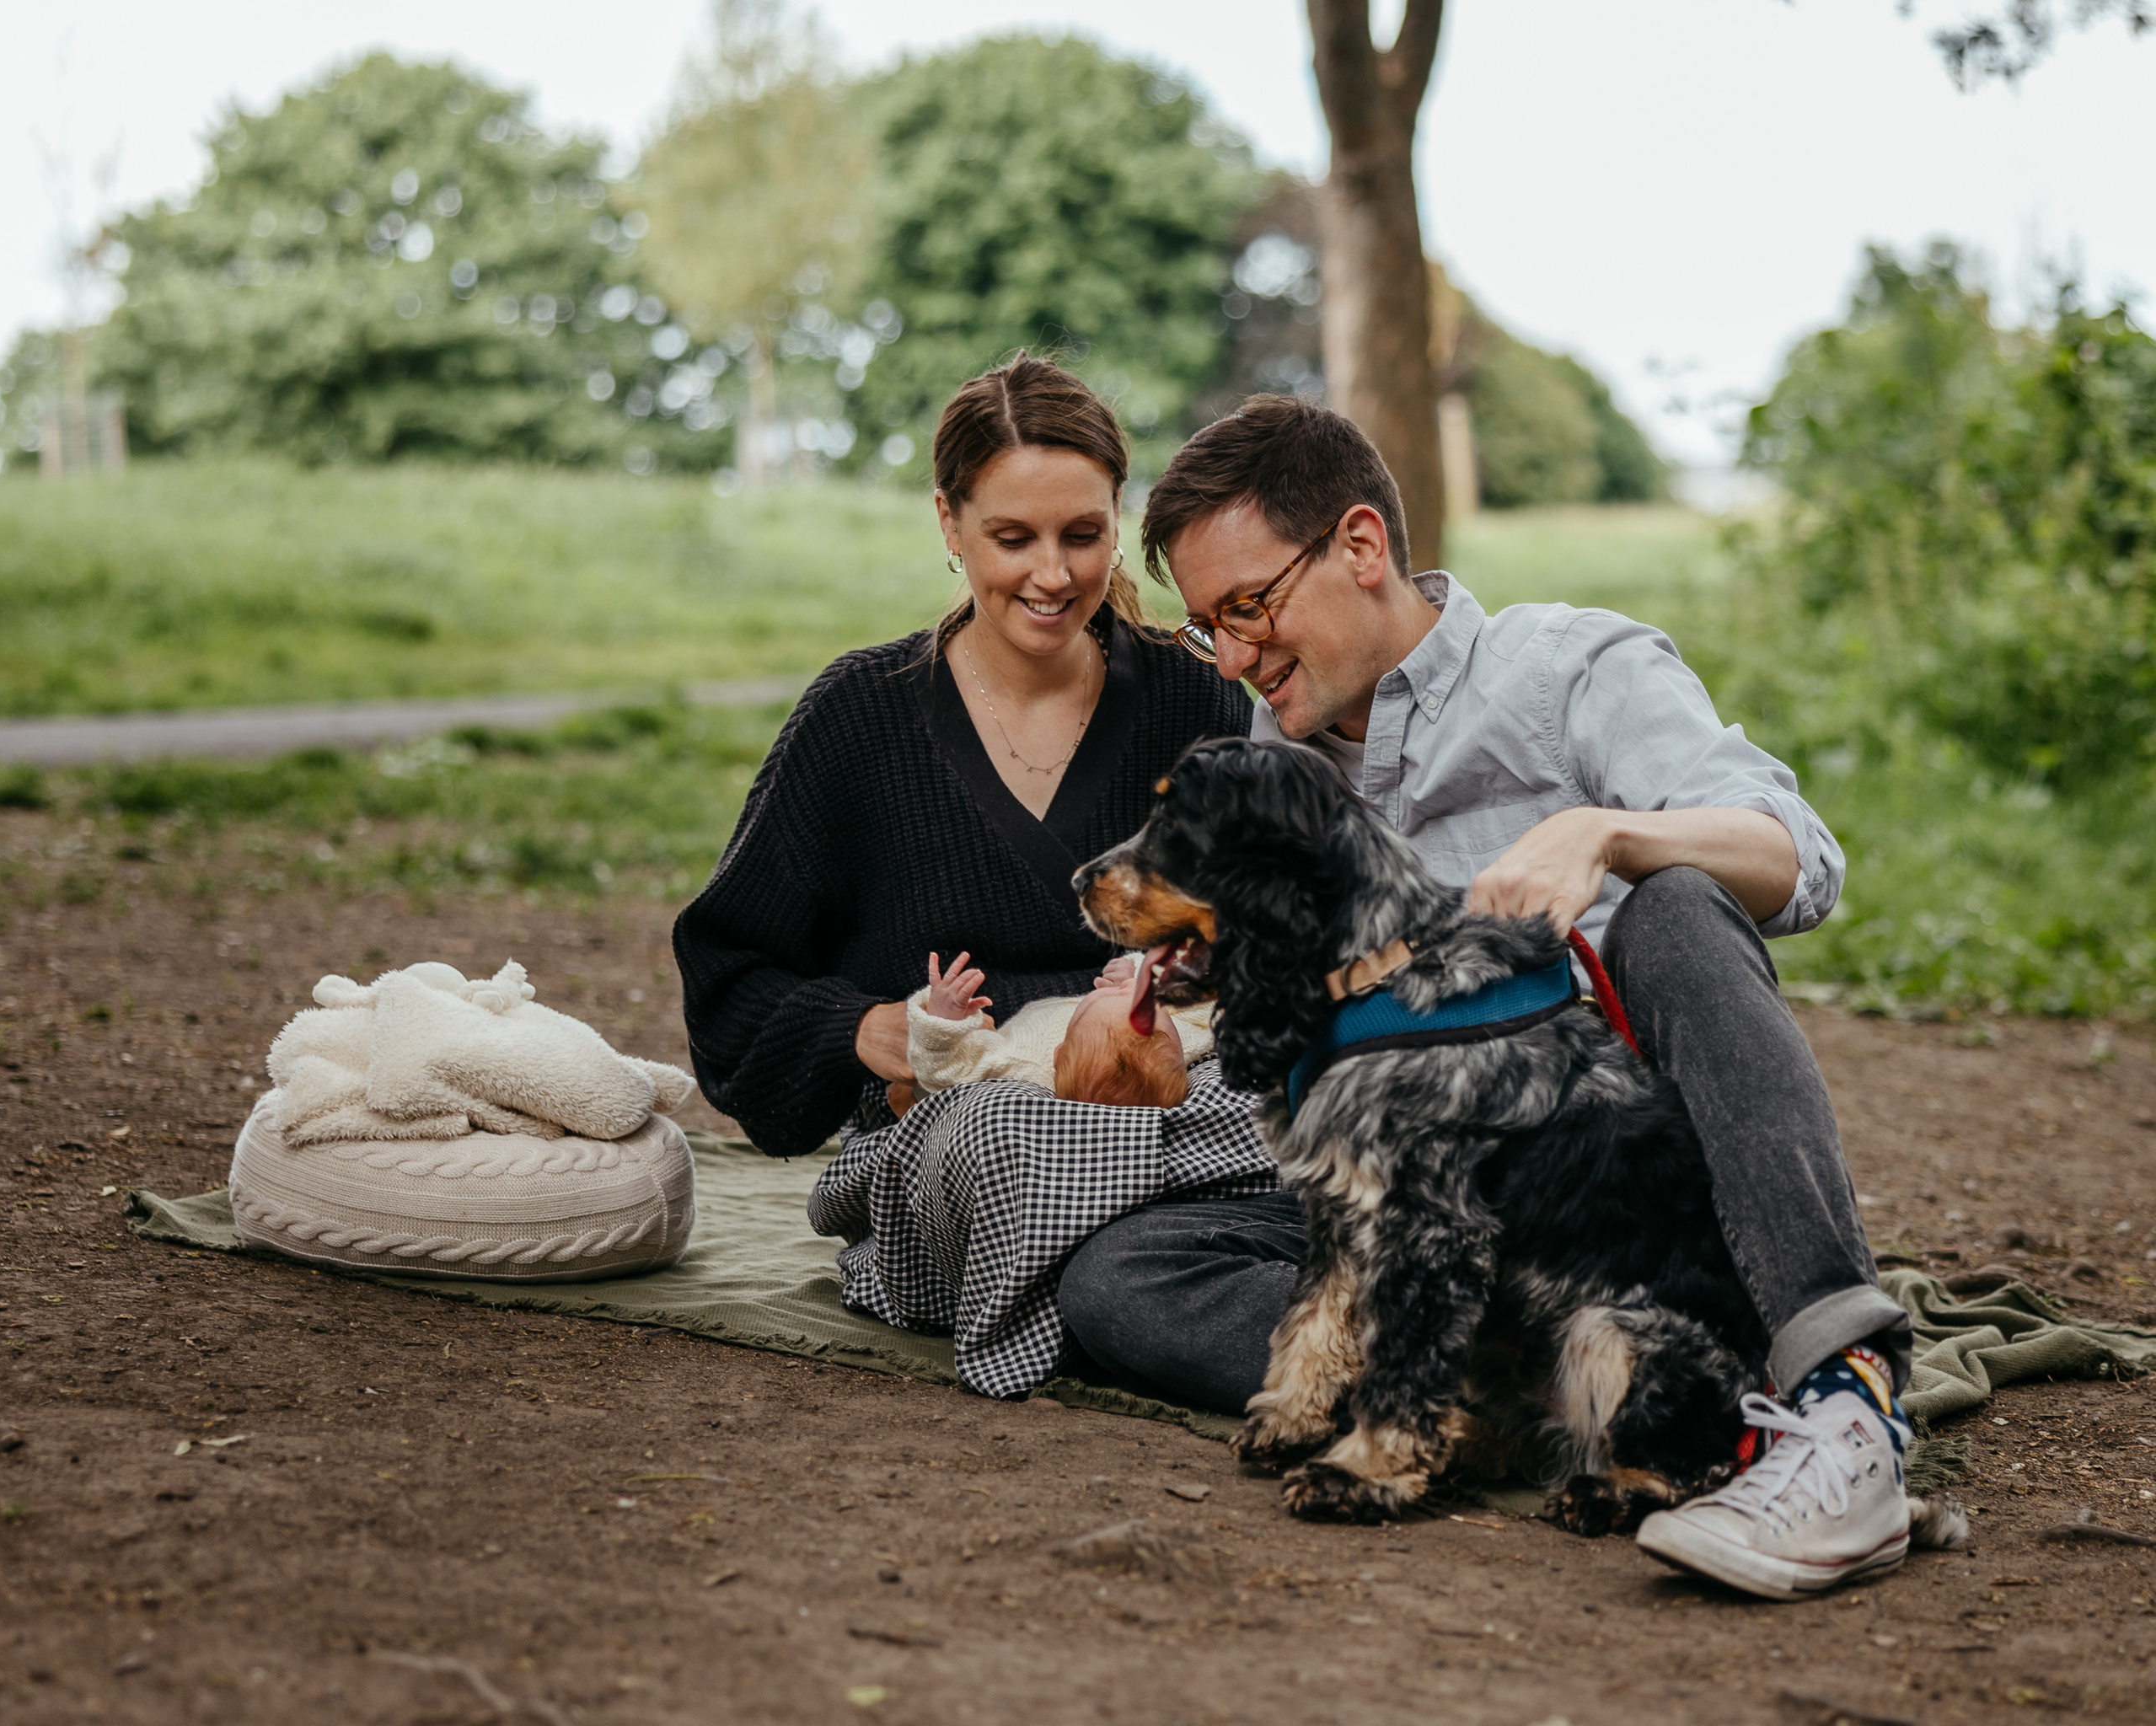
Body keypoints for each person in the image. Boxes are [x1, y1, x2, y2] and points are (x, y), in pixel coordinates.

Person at [1056, 394, 1917, 1601]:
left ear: (1361, 546)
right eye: (1210, 630)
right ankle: (1471, 1398)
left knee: (1678, 908)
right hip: (1419, 1211)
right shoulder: (1270, 762)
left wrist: (1609, 834)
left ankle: (1843, 1401)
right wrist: (1153, 993)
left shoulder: (1569, 671)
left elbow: (1799, 857)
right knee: (1115, 1280)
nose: (1236, 658)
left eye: (1249, 607)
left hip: (1614, 1203)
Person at [671, 351, 1249, 1155]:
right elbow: (732, 974)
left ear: (1119, 514)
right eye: (1013, 538)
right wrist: (861, 1028)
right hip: (952, 1136)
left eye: (1083, 535)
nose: (1053, 574)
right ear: (949, 521)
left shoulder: (1198, 699)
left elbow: (1284, 926)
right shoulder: (859, 714)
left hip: (1174, 1120)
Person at [897, 948, 1212, 1111]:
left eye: (1117, 994)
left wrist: (942, 1021)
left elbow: (943, 1073)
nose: (1131, 988)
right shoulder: (1183, 1041)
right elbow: (1206, 1005)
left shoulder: (1024, 1065)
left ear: (1058, 1055)